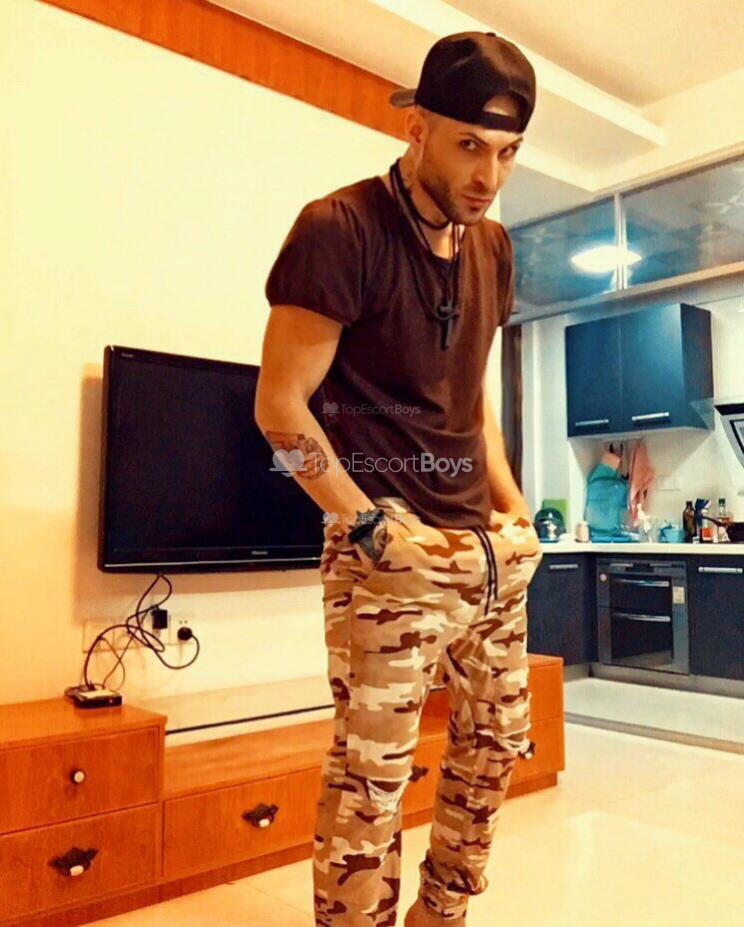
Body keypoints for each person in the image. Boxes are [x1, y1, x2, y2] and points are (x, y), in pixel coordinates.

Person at [256, 31, 542, 927]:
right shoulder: (340, 228)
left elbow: (473, 398)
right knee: (370, 783)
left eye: (507, 153)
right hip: (389, 557)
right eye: (469, 146)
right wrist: (369, 527)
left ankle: (442, 914)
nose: (489, 176)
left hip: (487, 554)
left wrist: (514, 511)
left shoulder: (493, 248)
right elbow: (279, 412)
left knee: (495, 751)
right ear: (416, 128)